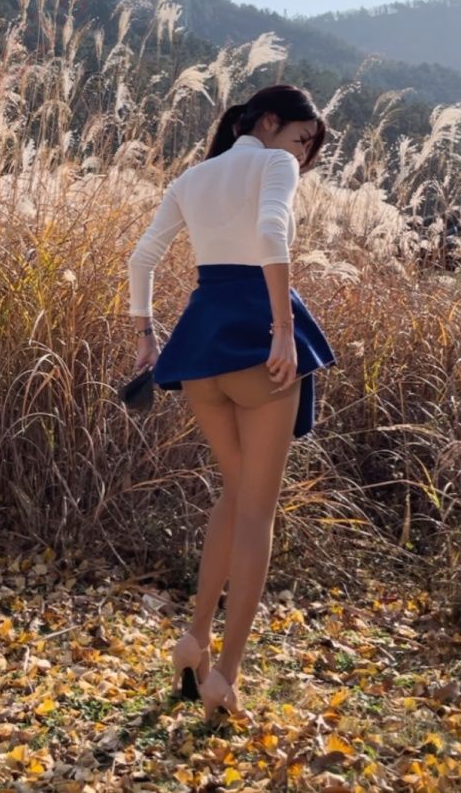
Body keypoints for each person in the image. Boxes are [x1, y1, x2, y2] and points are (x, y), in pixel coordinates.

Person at [126, 84, 338, 724]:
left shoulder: (194, 177)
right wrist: (283, 330)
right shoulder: (272, 165)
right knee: (257, 513)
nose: (301, 157)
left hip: (201, 348)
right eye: (301, 139)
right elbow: (272, 231)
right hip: (256, 341)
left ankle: (193, 641)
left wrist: (146, 335)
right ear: (269, 122)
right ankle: (225, 676)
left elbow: (143, 256)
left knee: (235, 493)